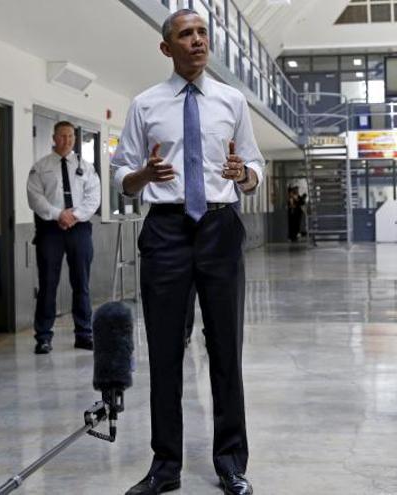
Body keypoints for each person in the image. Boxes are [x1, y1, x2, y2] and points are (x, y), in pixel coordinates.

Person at [111, 9, 262, 495]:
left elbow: (254, 165)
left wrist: (244, 174)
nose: (197, 41)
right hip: (166, 231)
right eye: (185, 35)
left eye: (202, 33)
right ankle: (165, 466)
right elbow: (123, 175)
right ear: (166, 48)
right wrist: (143, 177)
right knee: (164, 351)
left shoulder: (232, 101)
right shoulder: (145, 105)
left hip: (219, 228)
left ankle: (231, 463)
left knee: (225, 349)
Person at [27, 121, 101, 355]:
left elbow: (93, 197)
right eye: (62, 136)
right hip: (50, 229)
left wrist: (74, 216)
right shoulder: (40, 167)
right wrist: (59, 214)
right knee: (48, 283)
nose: (66, 140)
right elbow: (35, 198)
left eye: (70, 136)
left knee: (82, 283)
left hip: (79, 228)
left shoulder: (87, 167)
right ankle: (44, 337)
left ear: (74, 139)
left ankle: (84, 333)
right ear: (54, 137)